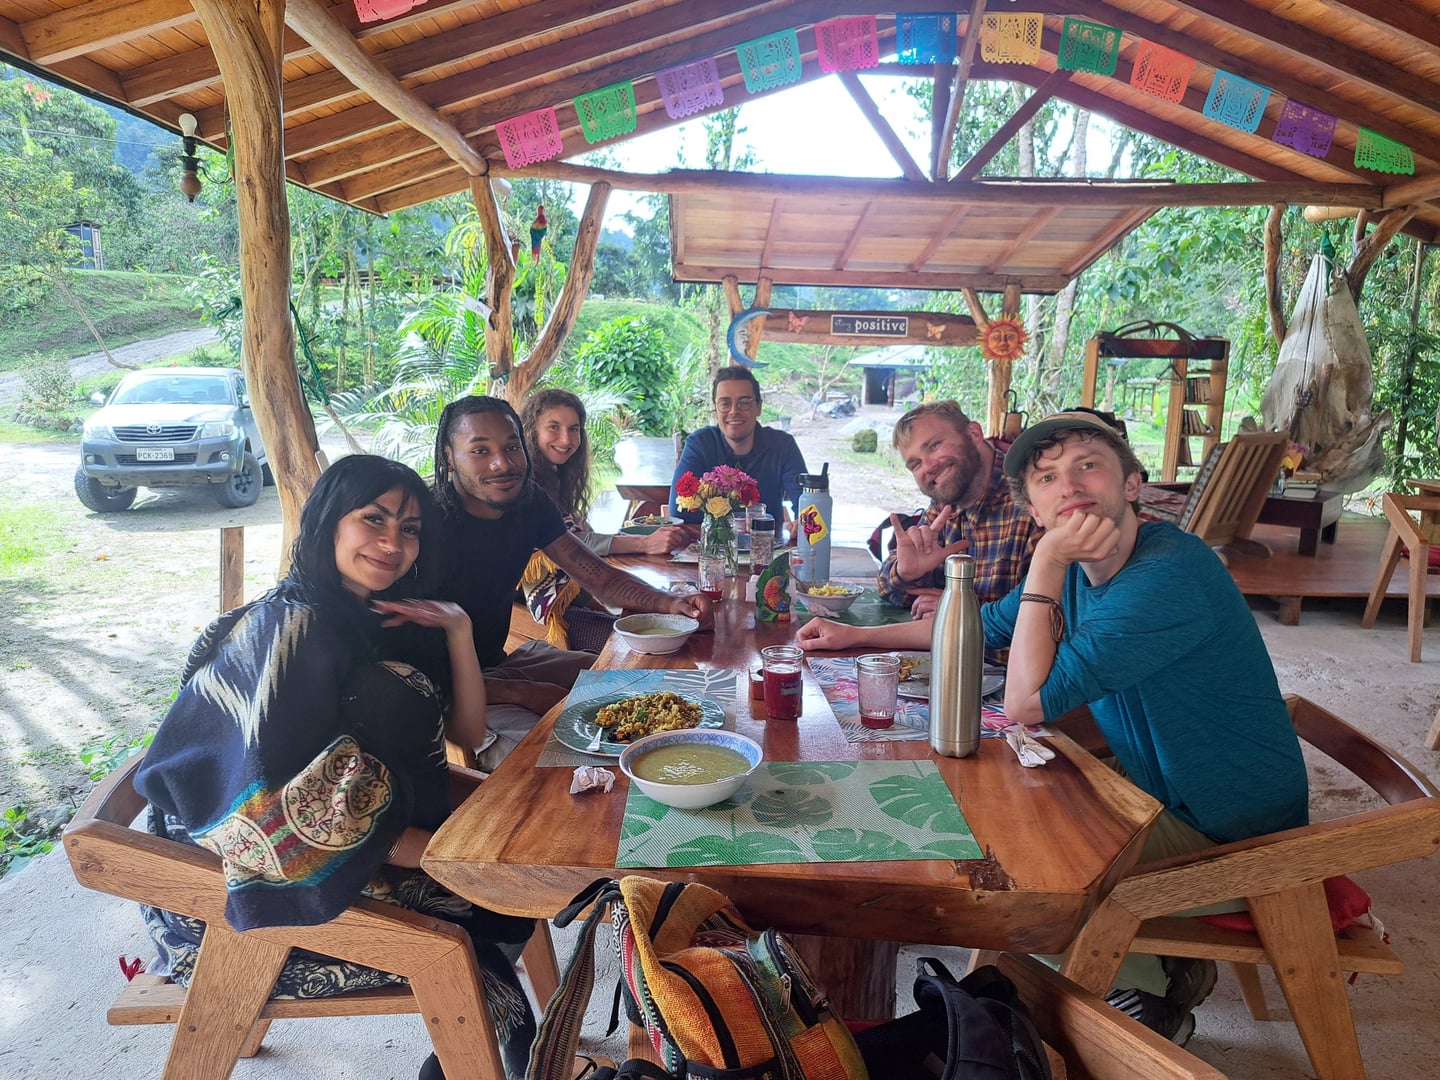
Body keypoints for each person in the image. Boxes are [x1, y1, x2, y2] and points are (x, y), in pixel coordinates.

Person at [801, 411, 1309, 1044]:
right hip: (1158, 794)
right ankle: (1160, 972)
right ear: (1034, 507)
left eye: (1087, 466)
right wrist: (857, 635)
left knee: (1012, 853)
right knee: (1005, 790)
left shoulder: (1166, 573)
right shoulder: (1081, 570)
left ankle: (1145, 1000)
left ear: (1132, 485)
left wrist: (1044, 561)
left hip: (1232, 832)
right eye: (1046, 477)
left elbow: (1026, 702)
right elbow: (981, 626)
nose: (1068, 485)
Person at [134, 454, 537, 1079]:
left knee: (519, 891)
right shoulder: (291, 627)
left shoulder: (367, 617)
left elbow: (465, 735)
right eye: (372, 519)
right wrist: (444, 856)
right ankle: (470, 1055)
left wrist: (456, 629)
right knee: (496, 908)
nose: (392, 542)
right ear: (328, 522)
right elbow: (271, 815)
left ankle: (471, 1053)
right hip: (243, 896)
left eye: (409, 529)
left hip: (350, 857)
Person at [434, 395, 711, 767]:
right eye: (480, 450)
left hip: (499, 664)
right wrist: (521, 692)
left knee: (646, 686)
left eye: (511, 447)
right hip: (447, 694)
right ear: (449, 457)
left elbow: (596, 574)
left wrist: (669, 602)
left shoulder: (527, 501)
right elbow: (412, 671)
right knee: (569, 761)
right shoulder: (422, 524)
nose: (502, 463)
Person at [518, 390, 688, 640]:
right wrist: (643, 543)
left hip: (575, 602)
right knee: (640, 643)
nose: (566, 439)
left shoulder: (554, 478)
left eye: (574, 429)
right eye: (554, 427)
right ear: (531, 430)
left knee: (660, 628)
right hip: (545, 615)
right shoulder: (525, 486)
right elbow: (573, 545)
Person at [877, 401, 1040, 617]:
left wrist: (960, 610)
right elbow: (894, 592)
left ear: (974, 434)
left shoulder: (1032, 498)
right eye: (915, 464)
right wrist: (905, 573)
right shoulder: (945, 503)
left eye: (934, 445)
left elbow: (1047, 613)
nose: (929, 467)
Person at [669, 365, 807, 528]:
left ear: (759, 407)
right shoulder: (700, 444)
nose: (734, 411)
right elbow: (679, 513)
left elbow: (807, 507)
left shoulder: (782, 445)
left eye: (744, 403)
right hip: (710, 549)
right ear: (715, 410)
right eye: (725, 403)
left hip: (766, 546)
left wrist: (802, 524)